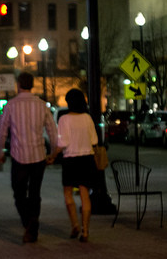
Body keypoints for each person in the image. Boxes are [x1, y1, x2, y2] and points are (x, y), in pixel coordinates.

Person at [0, 72, 58, 243]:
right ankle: (33, 222)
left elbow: (2, 132)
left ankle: (29, 223)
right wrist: (53, 153)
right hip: (39, 156)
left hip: (19, 156)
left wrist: (0, 153)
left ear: (18, 84)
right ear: (32, 84)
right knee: (35, 193)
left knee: (19, 193)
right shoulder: (41, 105)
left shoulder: (11, 105)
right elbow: (53, 131)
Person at [47, 88, 98, 242]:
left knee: (68, 192)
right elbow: (94, 141)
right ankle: (86, 231)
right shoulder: (87, 118)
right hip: (87, 158)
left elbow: (63, 143)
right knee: (84, 194)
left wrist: (52, 156)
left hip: (70, 159)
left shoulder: (64, 119)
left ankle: (75, 224)